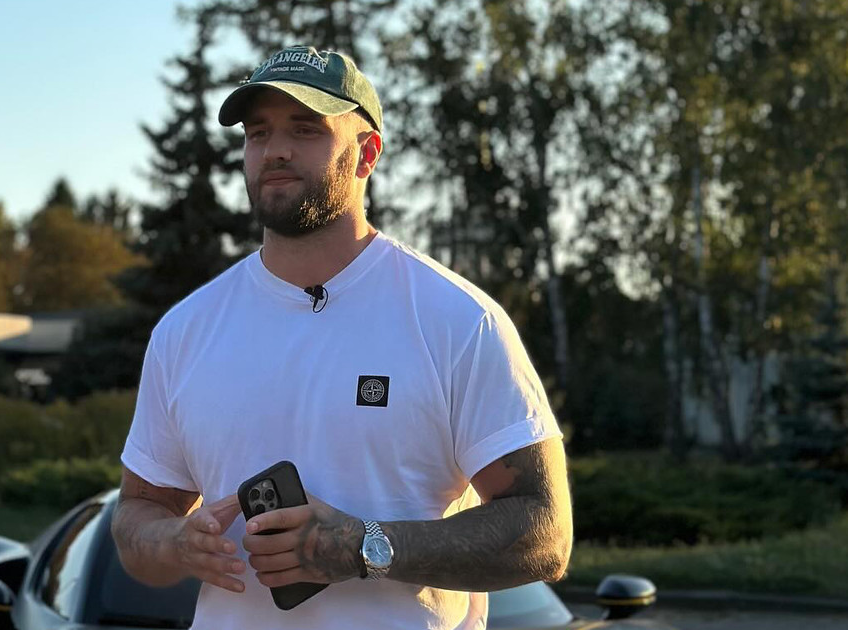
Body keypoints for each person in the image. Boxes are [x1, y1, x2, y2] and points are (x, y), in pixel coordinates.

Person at [112, 44, 572, 630]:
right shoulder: (185, 331)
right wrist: (176, 542)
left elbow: (544, 532)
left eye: (305, 129)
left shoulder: (456, 319)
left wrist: (363, 547)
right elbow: (137, 517)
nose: (274, 150)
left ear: (367, 154)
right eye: (258, 133)